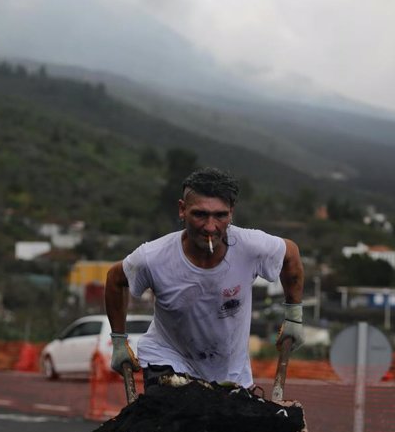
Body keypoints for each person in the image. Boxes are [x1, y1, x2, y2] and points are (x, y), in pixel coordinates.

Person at [105, 167, 305, 390]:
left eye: (220, 215)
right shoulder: (153, 258)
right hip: (168, 360)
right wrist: (119, 342)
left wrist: (294, 317)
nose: (210, 227)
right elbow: (115, 279)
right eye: (200, 214)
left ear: (231, 212)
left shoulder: (251, 246)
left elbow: (291, 254)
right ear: (182, 210)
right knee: (177, 420)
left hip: (230, 371)